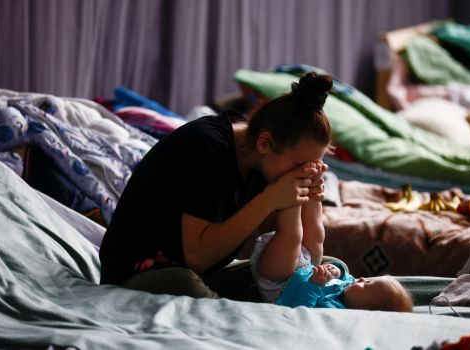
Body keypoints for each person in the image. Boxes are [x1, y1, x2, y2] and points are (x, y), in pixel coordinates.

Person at [98, 72, 335, 300]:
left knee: (326, 269)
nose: (305, 171)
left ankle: (236, 306)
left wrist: (311, 200)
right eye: (301, 164)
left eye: (314, 163)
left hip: (204, 275)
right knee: (186, 282)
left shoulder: (265, 162)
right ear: (265, 144)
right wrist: (270, 198)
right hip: (141, 276)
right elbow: (198, 258)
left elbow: (293, 252)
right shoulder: (206, 147)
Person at [275, 261, 413, 312]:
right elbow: (347, 277)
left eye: (366, 284)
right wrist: (338, 271)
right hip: (307, 264)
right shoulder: (350, 288)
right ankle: (312, 198)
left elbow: (301, 311)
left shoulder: (333, 309)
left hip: (281, 283)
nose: (362, 279)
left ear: (364, 310)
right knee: (317, 233)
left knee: (292, 234)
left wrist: (314, 286)